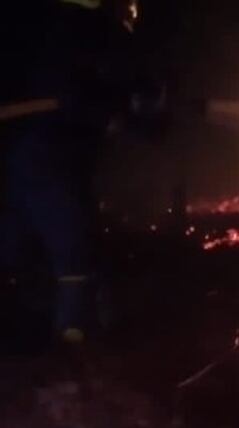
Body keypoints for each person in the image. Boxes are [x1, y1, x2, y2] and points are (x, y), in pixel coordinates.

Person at [0, 0, 147, 345]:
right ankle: (72, 337)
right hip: (47, 155)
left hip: (30, 152)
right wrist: (109, 117)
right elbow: (72, 95)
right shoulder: (82, 31)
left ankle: (39, 327)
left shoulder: (50, 30)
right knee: (71, 245)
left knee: (15, 241)